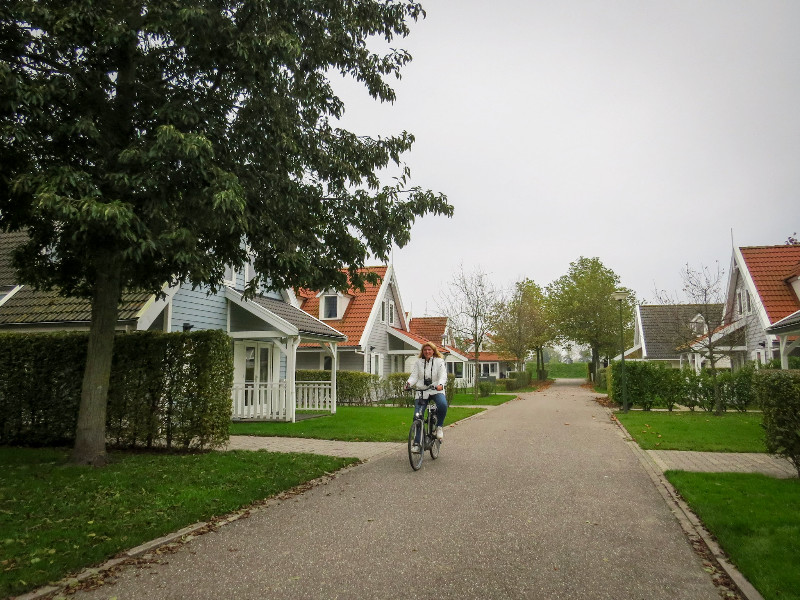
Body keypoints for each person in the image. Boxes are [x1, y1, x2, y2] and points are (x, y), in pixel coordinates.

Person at [405, 342, 448, 450]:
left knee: (442, 405)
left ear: (433, 351)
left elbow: (443, 375)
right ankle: (416, 443)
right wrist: (408, 384)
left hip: (435, 390)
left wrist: (440, 385)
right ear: (422, 352)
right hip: (421, 391)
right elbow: (414, 376)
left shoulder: (439, 361)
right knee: (417, 416)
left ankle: (439, 427)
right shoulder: (418, 362)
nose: (427, 352)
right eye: (425, 350)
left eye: (429, 350)